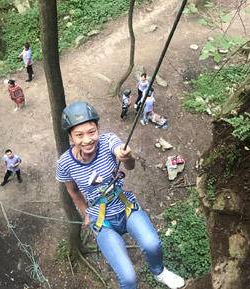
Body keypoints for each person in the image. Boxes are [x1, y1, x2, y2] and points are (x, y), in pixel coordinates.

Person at [56, 101, 185, 289]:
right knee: (128, 278)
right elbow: (72, 190)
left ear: (98, 128)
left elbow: (127, 162)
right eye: (79, 135)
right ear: (70, 136)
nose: (87, 140)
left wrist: (127, 156)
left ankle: (159, 272)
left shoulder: (108, 141)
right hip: (102, 220)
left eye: (92, 132)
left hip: (125, 206)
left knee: (152, 244)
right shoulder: (65, 163)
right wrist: (85, 212)